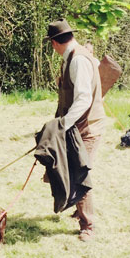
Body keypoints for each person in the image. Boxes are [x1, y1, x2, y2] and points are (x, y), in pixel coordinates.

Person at [46, 18, 106, 242]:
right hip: (79, 126)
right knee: (73, 169)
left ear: (54, 43)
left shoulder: (78, 60)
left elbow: (82, 99)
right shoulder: (74, 55)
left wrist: (63, 125)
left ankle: (87, 225)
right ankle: (78, 209)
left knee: (81, 174)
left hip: (88, 127)